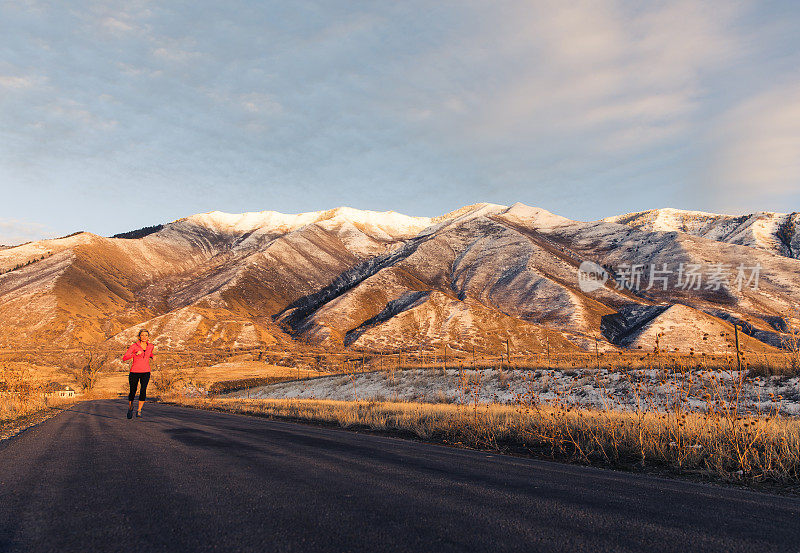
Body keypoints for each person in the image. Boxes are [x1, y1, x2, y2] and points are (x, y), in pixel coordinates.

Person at [122, 329, 156, 419]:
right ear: (139, 336)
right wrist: (135, 354)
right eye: (142, 335)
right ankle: (130, 407)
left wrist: (152, 356)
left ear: (148, 337)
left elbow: (148, 353)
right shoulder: (134, 346)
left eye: (146, 335)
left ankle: (139, 410)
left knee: (143, 390)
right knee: (132, 391)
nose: (144, 337)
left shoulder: (151, 346)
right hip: (134, 372)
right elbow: (124, 358)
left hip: (146, 372)